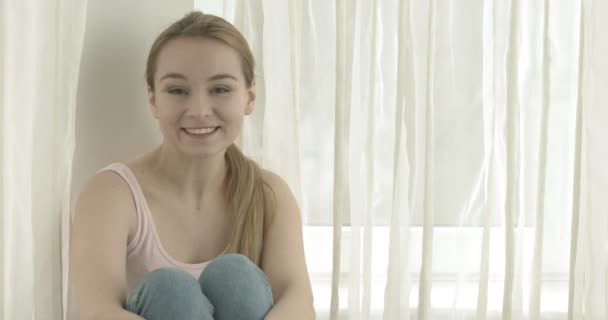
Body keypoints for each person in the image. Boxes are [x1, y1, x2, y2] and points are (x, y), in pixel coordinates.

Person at [70, 11, 315, 320]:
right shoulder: (111, 194)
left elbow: (298, 302)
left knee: (235, 277)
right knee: (170, 290)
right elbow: (98, 312)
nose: (199, 111)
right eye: (177, 90)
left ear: (249, 97)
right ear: (153, 99)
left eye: (220, 89)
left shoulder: (269, 194)